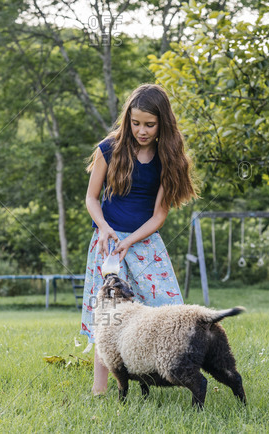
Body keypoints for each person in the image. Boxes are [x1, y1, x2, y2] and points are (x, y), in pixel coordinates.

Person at [80, 83, 199, 395]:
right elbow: (92, 199)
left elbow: (159, 215)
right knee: (109, 316)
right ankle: (99, 389)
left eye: (149, 124)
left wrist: (131, 239)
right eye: (135, 124)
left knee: (167, 312)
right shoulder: (109, 149)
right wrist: (104, 228)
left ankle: (183, 378)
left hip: (146, 247)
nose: (142, 131)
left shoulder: (167, 158)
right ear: (127, 120)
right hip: (108, 247)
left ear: (162, 122)